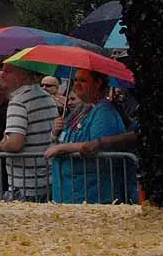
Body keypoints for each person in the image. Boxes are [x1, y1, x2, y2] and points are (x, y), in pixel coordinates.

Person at [45, 70, 129, 203]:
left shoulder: (104, 112)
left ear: (98, 83)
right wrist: (55, 134)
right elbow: (61, 139)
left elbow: (98, 146)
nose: (77, 84)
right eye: (76, 80)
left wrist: (63, 148)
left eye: (83, 81)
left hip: (92, 195)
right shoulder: (80, 110)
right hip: (68, 194)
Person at [0, 64, 58, 201]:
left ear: (23, 76)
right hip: (48, 179)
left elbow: (15, 144)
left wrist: (2, 144)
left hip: (25, 184)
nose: (2, 75)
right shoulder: (48, 97)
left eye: (8, 71)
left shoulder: (18, 101)